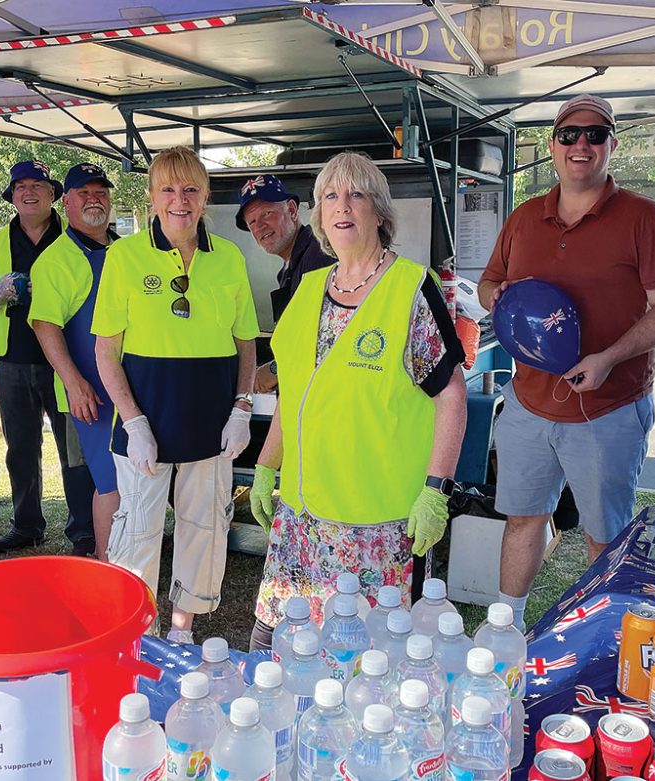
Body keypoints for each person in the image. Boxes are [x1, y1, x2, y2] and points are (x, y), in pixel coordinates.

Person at [478, 94, 655, 629]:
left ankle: (603, 633)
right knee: (523, 518)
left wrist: (609, 358)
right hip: (528, 402)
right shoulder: (525, 217)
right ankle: (506, 625)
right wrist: (497, 296)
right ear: (551, 145)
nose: (581, 144)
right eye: (569, 134)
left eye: (595, 134)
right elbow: (486, 285)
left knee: (606, 534)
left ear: (611, 145)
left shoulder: (645, 218)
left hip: (609, 406)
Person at [247, 152, 468, 650]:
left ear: (379, 213)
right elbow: (294, 393)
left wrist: (436, 490)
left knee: (367, 660)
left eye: (356, 194)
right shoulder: (305, 289)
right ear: (319, 216)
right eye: (330, 196)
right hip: (302, 518)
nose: (342, 205)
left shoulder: (411, 287)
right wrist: (266, 468)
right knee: (281, 649)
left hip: (377, 523)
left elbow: (451, 394)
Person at [92, 146, 259, 644]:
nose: (179, 200)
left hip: (211, 422)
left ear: (206, 197)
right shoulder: (123, 256)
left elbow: (245, 342)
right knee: (137, 529)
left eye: (190, 189)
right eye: (168, 188)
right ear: (151, 196)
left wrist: (242, 408)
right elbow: (106, 351)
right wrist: (134, 423)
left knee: (204, 526)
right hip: (146, 423)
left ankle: (183, 629)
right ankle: (140, 630)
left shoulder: (228, 257)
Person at [0, 160, 97, 555]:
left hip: (66, 357)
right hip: (15, 358)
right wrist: (1, 291)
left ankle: (83, 527)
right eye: (20, 186)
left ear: (53, 195)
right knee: (21, 449)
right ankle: (26, 524)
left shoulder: (75, 234)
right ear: (12, 195)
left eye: (38, 186)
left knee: (74, 448)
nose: (28, 192)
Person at [27, 163, 120, 561]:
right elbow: (45, 326)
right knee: (110, 482)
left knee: (135, 478)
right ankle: (107, 564)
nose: (94, 199)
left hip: (131, 386)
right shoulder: (56, 260)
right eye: (84, 193)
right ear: (66, 202)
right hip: (92, 393)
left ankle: (131, 557)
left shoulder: (125, 250)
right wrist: (73, 382)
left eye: (101, 192)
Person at [234, 174, 335, 393]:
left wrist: (273, 370)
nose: (260, 227)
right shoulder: (289, 268)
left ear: (291, 209)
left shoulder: (319, 258)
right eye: (252, 222)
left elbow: (326, 338)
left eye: (267, 214)